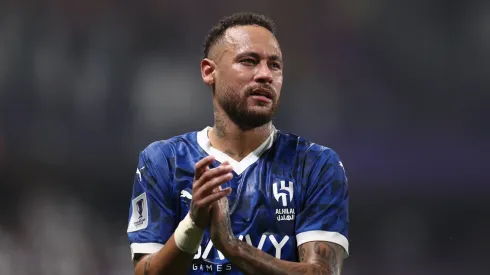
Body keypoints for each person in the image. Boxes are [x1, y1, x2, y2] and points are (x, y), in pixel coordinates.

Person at [127, 12, 349, 275]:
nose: (266, 75)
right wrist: (193, 224)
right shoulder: (163, 161)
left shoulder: (315, 165)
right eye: (249, 61)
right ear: (209, 72)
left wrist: (232, 246)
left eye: (275, 65)